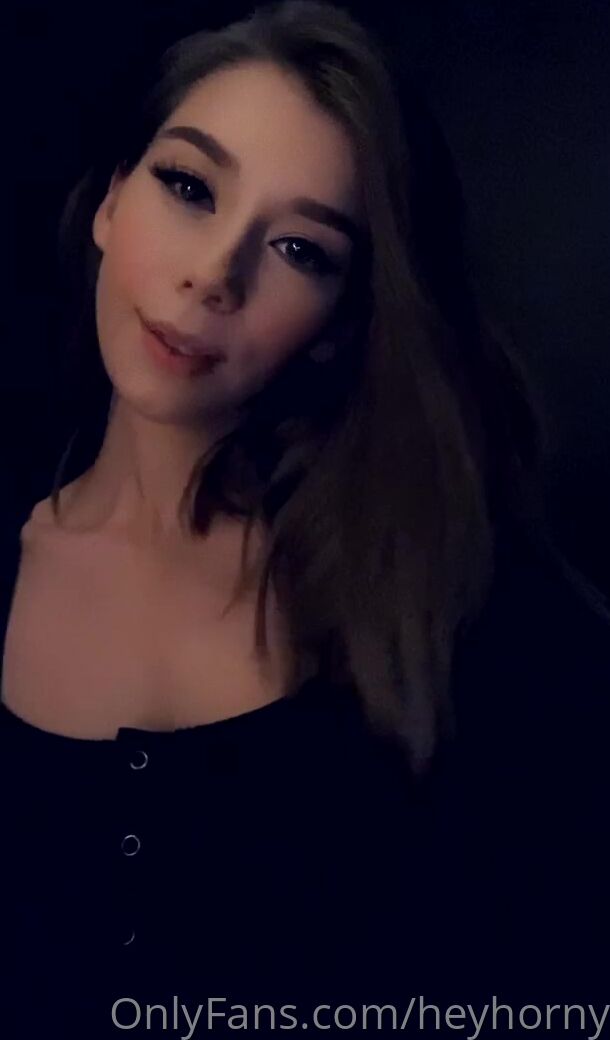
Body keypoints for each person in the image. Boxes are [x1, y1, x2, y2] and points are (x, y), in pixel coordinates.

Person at [1, 1, 609, 1036]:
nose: (213, 274)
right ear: (109, 202)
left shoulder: (435, 591)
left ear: (336, 326)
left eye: (297, 248)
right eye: (188, 187)